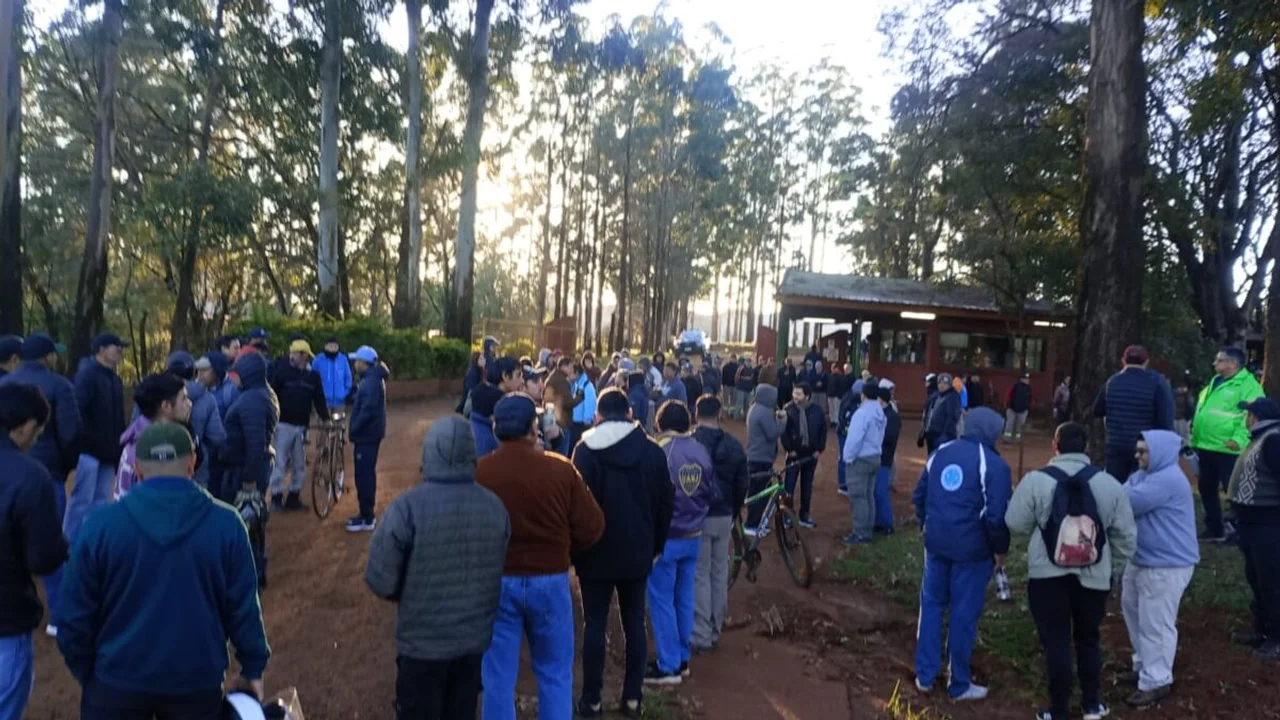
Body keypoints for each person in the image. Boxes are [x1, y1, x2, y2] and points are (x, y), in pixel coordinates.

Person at [56, 422, 270, 720]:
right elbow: (244, 608)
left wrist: (90, 674)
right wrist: (253, 667)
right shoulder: (227, 525)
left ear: (137, 470)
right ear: (192, 464)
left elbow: (72, 616)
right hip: (196, 685)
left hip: (115, 683)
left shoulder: (100, 526)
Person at [365, 416, 511, 720]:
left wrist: (410, 592)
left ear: (429, 452)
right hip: (472, 644)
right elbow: (496, 567)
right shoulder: (496, 507)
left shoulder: (406, 508)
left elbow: (381, 579)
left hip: (421, 646)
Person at [476, 394, 604, 720]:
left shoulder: (479, 473)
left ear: (495, 428)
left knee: (497, 676)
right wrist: (565, 552)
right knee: (555, 672)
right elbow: (592, 526)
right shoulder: (561, 469)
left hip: (495, 580)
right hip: (550, 579)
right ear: (534, 429)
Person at [1005, 422, 1137, 720]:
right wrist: (1112, 568)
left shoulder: (1036, 481)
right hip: (1094, 578)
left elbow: (1015, 523)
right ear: (1086, 447)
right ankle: (1091, 705)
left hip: (1046, 576)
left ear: (1055, 446)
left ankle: (1059, 710)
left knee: (1056, 641)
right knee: (1089, 638)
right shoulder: (1109, 484)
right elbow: (1127, 536)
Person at [572, 389, 672, 718]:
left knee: (594, 624)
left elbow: (575, 507)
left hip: (594, 552)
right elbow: (665, 504)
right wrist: (656, 546)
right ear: (630, 413)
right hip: (638, 551)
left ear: (597, 416)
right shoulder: (652, 451)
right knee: (634, 623)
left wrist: (576, 550)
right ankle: (632, 699)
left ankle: (592, 700)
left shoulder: (585, 451)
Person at [912, 406, 1011, 701]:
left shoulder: (940, 453)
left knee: (931, 606)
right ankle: (958, 684)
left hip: (936, 545)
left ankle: (925, 676)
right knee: (963, 614)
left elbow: (919, 496)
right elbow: (996, 517)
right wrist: (1000, 550)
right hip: (972, 552)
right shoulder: (994, 465)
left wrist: (927, 526)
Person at [0, 384, 68, 720]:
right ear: (26, 426)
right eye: (38, 432)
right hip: (6, 616)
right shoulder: (30, 476)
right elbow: (44, 559)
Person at [1120, 430, 1200, 707]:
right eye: (1137, 450)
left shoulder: (1166, 479)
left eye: (1143, 451)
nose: (1137, 456)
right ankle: (1144, 664)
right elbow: (1125, 491)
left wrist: (1126, 490)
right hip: (1143, 560)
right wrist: (1127, 488)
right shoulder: (1147, 475)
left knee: (1155, 623)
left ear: (1161, 453)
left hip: (1167, 565)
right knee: (1134, 612)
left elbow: (1124, 502)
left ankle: (1157, 679)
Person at [646, 401, 716, 686]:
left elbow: (651, 495)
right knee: (684, 597)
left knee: (661, 600)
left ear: (660, 423)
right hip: (693, 536)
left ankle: (669, 665)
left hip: (665, 539)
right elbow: (711, 492)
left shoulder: (659, 451)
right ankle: (682, 658)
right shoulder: (700, 450)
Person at [691, 395, 747, 653]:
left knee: (700, 575)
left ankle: (701, 633)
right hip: (724, 515)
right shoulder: (733, 445)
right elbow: (742, 483)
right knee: (719, 572)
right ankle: (715, 630)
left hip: (697, 516)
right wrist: (734, 510)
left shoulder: (689, 444)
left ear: (696, 414)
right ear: (720, 414)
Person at [1190, 346, 1264, 542]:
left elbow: (1252, 415)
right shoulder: (1215, 381)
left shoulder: (1248, 386)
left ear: (1233, 364)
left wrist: (1239, 440)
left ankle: (1240, 530)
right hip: (1207, 445)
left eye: (1220, 360)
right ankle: (1215, 527)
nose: (1215, 363)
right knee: (1206, 488)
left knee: (1234, 491)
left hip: (1229, 449)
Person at [1225, 397, 1280, 661]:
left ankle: (1276, 638)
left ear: (1256, 417)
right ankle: (1261, 629)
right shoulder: (1260, 438)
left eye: (1248, 414)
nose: (1245, 418)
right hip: (1251, 524)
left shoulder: (1273, 440)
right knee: (1256, 578)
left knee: (1271, 582)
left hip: (1267, 525)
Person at [220, 351, 278, 584]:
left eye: (237, 373)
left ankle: (251, 576)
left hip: (245, 472)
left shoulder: (252, 400)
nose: (232, 377)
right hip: (253, 467)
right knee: (253, 523)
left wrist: (249, 483)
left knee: (247, 523)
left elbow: (255, 443)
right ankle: (255, 572)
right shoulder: (262, 393)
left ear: (248, 374)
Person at [67, 333, 127, 544]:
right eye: (116, 346)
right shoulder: (87, 375)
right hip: (88, 452)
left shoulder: (115, 379)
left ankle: (94, 543)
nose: (120, 350)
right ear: (101, 349)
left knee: (101, 502)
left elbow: (118, 418)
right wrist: (83, 442)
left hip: (109, 453)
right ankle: (70, 545)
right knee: (81, 501)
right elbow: (77, 411)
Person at [1092, 345, 1175, 481]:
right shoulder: (1157, 382)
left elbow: (1097, 410)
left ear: (1123, 361)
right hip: (1144, 445)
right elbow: (1164, 418)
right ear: (1146, 362)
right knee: (1141, 485)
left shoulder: (1112, 382)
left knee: (1116, 485)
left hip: (1116, 445)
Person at [266, 340, 328, 512]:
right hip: (282, 425)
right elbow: (271, 395)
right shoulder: (282, 373)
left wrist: (326, 418)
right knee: (279, 462)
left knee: (299, 463)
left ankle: (294, 497)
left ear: (304, 355)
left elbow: (319, 399)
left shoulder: (313, 377)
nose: (293, 356)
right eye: (293, 353)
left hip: (301, 427)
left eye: (297, 353)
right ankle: (276, 497)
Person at [116, 373, 193, 501]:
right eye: (183, 399)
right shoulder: (154, 450)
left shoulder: (139, 437)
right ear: (166, 406)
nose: (189, 404)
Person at [170, 354, 226, 494]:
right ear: (194, 372)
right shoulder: (207, 398)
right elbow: (218, 437)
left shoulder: (155, 394)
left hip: (161, 469)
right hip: (196, 469)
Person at [347, 345, 388, 533]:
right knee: (365, 474)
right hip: (369, 435)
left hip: (366, 435)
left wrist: (354, 428)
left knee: (364, 476)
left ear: (364, 363)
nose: (355, 364)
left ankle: (367, 517)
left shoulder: (371, 382)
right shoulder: (370, 379)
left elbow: (368, 411)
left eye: (357, 361)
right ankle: (365, 514)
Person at [842, 381, 886, 544]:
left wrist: (848, 458)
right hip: (875, 456)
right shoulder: (880, 412)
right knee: (868, 495)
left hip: (860, 459)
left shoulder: (862, 413)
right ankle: (867, 529)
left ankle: (860, 533)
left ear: (863, 395)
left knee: (858, 497)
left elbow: (854, 439)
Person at [782, 383, 826, 529]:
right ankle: (787, 516)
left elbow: (822, 431)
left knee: (807, 486)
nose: (795, 396)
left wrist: (819, 449)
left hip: (810, 455)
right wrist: (789, 449)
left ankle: (804, 515)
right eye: (794, 393)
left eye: (798, 394)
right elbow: (784, 432)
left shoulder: (817, 411)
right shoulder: (788, 410)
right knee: (789, 486)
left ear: (807, 396)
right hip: (794, 455)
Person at [745, 384, 784, 530]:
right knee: (760, 493)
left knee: (756, 492)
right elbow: (773, 433)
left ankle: (753, 522)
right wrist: (783, 422)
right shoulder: (764, 411)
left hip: (755, 456)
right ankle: (753, 524)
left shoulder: (755, 408)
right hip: (761, 458)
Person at [470, 356, 521, 459]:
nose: (522, 380)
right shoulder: (486, 436)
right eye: (518, 375)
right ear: (505, 376)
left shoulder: (483, 395)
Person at [875, 380, 902, 535]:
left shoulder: (892, 417)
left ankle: (886, 523)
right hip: (878, 457)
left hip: (884, 458)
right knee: (876, 491)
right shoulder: (883, 414)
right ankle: (878, 521)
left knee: (881, 491)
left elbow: (889, 438)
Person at [545, 357, 583, 456]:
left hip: (552, 421)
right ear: (563, 367)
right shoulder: (562, 381)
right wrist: (579, 397)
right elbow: (567, 402)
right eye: (570, 367)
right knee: (561, 455)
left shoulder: (553, 377)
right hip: (563, 423)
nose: (572, 370)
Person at [312, 336, 353, 413]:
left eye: (335, 346)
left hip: (339, 402)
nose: (333, 348)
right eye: (331, 346)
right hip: (322, 401)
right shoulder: (318, 360)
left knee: (339, 420)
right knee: (323, 420)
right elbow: (312, 378)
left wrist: (345, 392)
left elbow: (348, 377)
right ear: (325, 346)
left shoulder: (343, 359)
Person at [923, 373, 961, 453]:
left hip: (943, 435)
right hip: (932, 433)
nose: (941, 385)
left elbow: (952, 416)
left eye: (945, 383)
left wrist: (945, 434)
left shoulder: (952, 396)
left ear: (949, 385)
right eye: (940, 383)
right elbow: (929, 413)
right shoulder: (937, 396)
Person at [570, 361, 599, 451]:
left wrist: (587, 420)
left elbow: (590, 404)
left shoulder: (587, 386)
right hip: (575, 423)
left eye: (571, 372)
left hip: (582, 425)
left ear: (576, 373)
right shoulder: (577, 384)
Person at [1003, 371, 1033, 442]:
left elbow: (1030, 398)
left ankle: (1018, 439)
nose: (1027, 380)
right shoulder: (1015, 386)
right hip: (1012, 409)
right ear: (1021, 379)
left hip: (1023, 410)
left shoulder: (1028, 388)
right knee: (1009, 424)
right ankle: (1006, 438)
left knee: (1020, 426)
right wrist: (1007, 404)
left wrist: (1028, 407)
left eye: (1028, 379)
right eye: (1026, 378)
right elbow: (1009, 395)